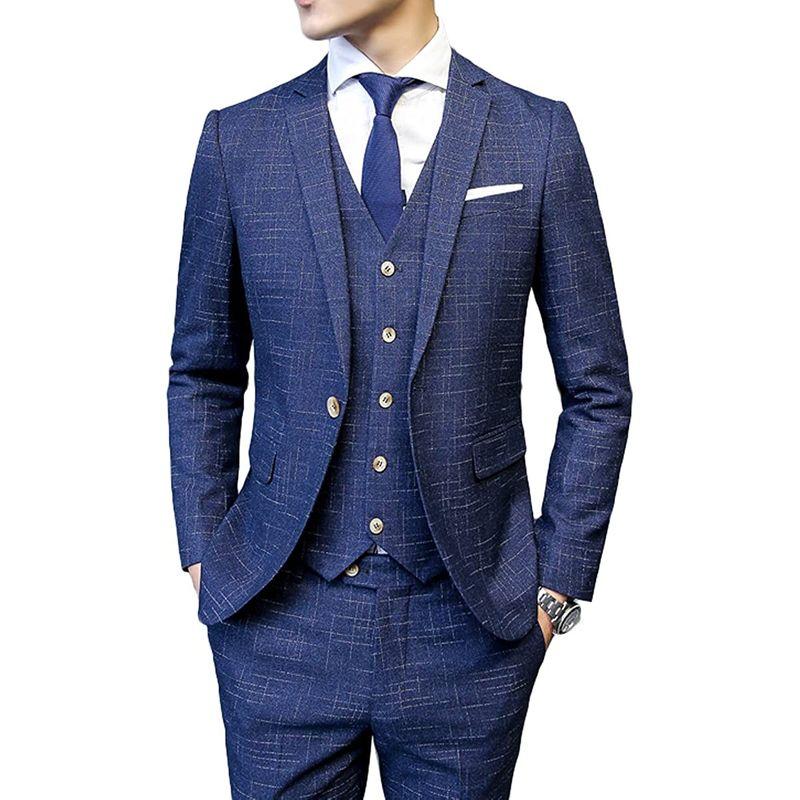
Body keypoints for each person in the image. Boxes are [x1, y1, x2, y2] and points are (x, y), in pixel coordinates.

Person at [168, 0, 632, 796]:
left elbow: (598, 385)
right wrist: (207, 555)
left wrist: (556, 585)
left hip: (472, 628)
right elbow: (202, 370)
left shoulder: (536, 135)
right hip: (277, 622)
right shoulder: (239, 139)